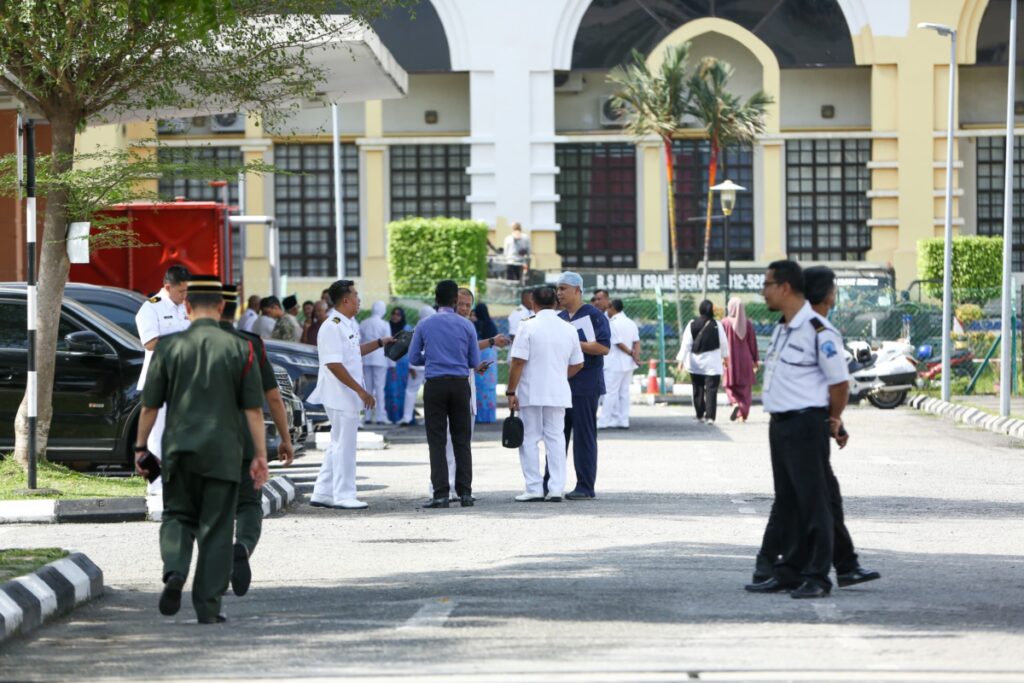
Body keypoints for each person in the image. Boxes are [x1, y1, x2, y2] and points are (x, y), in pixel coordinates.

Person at [134, 275, 267, 624]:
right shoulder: (241, 348)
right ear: (222, 307)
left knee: (178, 516)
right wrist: (260, 455)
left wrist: (139, 447)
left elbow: (149, 406)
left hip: (179, 449)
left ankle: (176, 570)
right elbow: (253, 409)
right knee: (218, 528)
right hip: (224, 453)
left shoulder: (169, 347)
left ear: (187, 307)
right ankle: (208, 607)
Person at [751, 266, 880, 591]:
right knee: (790, 500)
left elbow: (839, 383)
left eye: (767, 284)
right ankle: (791, 570)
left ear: (785, 287)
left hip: (806, 423)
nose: (763, 291)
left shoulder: (819, 330)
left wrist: (833, 419)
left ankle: (818, 575)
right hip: (780, 425)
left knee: (814, 502)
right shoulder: (783, 329)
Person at [219, 284, 295, 598]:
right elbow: (274, 398)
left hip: (200, 439)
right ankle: (243, 547)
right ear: (235, 309)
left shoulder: (185, 344)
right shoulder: (251, 343)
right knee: (249, 503)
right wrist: (285, 439)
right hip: (245, 436)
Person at [308, 280, 392, 510]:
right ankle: (344, 495)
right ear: (345, 300)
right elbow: (334, 364)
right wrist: (361, 391)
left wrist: (379, 343)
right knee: (345, 446)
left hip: (345, 395)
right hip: (339, 395)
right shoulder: (332, 325)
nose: (359, 300)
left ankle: (323, 492)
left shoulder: (346, 323)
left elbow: (354, 352)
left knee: (338, 444)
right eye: (355, 295)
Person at [506, 285, 584, 502]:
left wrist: (511, 391)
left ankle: (533, 488)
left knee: (530, 438)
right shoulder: (568, 328)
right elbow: (578, 364)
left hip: (531, 390)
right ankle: (556, 488)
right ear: (556, 303)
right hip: (558, 391)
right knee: (556, 439)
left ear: (533, 303)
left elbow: (518, 362)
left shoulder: (527, 326)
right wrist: (559, 376)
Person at [408, 280, 481, 508]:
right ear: (454, 301)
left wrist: (430, 358)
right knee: (462, 440)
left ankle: (440, 493)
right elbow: (474, 362)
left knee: (437, 441)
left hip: (435, 385)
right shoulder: (467, 326)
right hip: (460, 385)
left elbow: (413, 358)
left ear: (436, 299)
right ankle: (465, 492)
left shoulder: (424, 324)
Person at [135, 264, 191, 496]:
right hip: (159, 379)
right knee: (157, 435)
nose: (184, 296)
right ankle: (156, 485)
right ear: (167, 287)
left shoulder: (183, 308)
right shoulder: (150, 308)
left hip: (183, 380)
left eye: (187, 291)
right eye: (181, 291)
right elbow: (150, 343)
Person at [554, 272, 610, 500]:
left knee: (584, 436)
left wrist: (575, 343)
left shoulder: (595, 316)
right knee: (557, 435)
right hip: (561, 382)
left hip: (586, 384)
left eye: (563, 288)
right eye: (557, 289)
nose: (559, 293)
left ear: (577, 290)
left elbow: (604, 348)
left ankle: (585, 486)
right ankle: (552, 482)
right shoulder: (558, 318)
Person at [677, 300, 729, 425]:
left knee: (698, 388)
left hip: (695, 363)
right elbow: (723, 343)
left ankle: (700, 414)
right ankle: (710, 417)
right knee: (711, 390)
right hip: (712, 363)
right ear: (711, 310)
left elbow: (686, 344)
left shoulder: (692, 324)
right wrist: (725, 358)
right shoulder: (717, 324)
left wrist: (681, 361)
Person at [598, 299, 641, 430]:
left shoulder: (612, 323)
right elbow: (637, 342)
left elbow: (618, 343)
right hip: (628, 364)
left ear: (612, 308)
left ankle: (604, 421)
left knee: (610, 393)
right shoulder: (631, 323)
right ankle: (623, 420)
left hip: (614, 363)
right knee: (624, 392)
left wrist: (631, 353)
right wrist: (636, 356)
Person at [722, 298, 759, 423]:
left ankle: (734, 404)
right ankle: (742, 414)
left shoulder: (725, 323)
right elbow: (753, 343)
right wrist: (755, 360)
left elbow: (720, 342)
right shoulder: (747, 324)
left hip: (729, 359)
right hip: (746, 360)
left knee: (729, 385)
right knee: (745, 390)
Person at [399, 305, 435, 426]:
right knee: (430, 394)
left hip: (417, 366)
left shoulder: (416, 328)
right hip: (431, 366)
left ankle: (407, 417)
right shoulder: (435, 328)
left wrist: (411, 366)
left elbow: (412, 349)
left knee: (410, 391)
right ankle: (429, 418)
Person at [359, 301, 391, 425]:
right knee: (379, 388)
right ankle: (380, 416)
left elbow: (361, 341)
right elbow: (388, 342)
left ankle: (367, 416)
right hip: (380, 358)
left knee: (367, 387)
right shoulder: (384, 324)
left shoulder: (363, 323)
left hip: (366, 357)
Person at [384, 307, 412, 424]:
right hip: (389, 363)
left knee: (403, 391)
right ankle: (391, 416)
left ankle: (403, 416)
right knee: (390, 390)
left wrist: (412, 366)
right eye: (393, 314)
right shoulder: (386, 327)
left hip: (404, 364)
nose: (395, 316)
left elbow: (412, 348)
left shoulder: (408, 328)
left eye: (398, 314)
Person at [473, 303, 499, 423]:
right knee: (490, 387)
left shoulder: (475, 325)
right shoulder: (492, 325)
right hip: (491, 357)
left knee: (479, 387)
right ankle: (490, 416)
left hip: (480, 356)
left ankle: (479, 415)